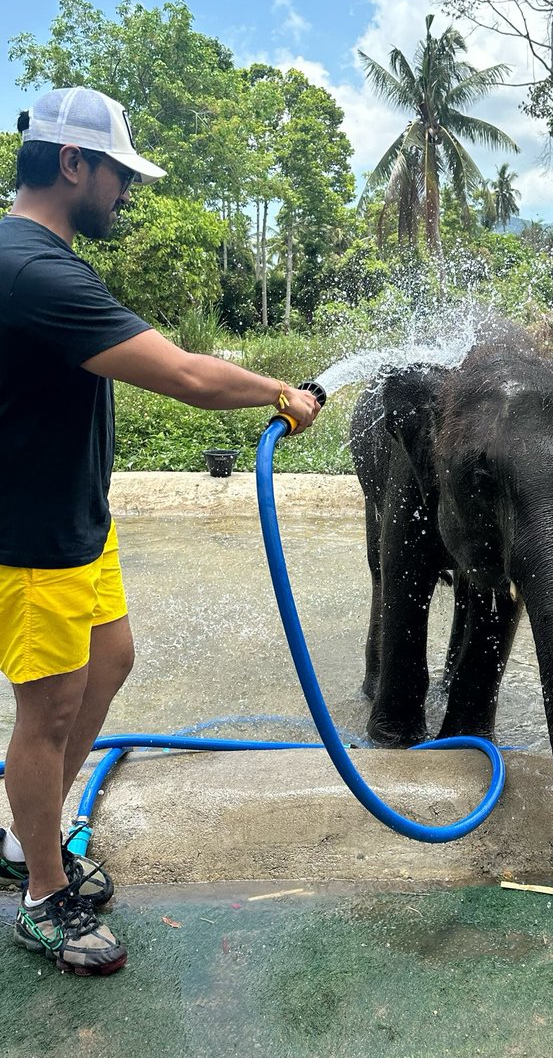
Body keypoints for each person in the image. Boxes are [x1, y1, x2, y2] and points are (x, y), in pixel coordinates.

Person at [0, 87, 321, 975]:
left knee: (111, 661)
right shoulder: (31, 269)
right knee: (50, 708)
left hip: (74, 520)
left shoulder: (41, 257)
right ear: (74, 165)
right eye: (118, 174)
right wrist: (278, 393)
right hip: (30, 535)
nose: (126, 192)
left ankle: (35, 834)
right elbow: (182, 375)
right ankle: (41, 896)